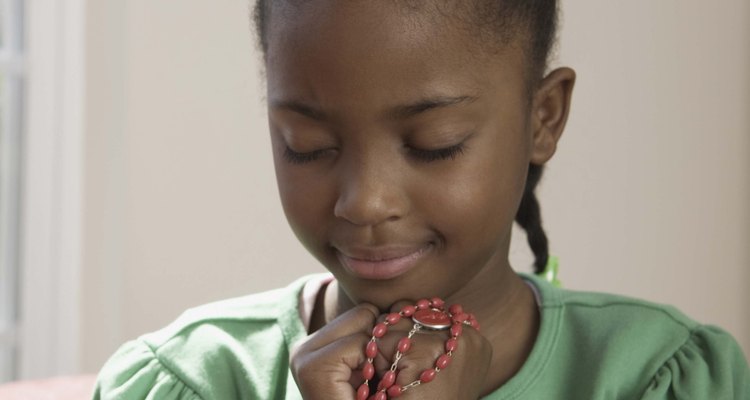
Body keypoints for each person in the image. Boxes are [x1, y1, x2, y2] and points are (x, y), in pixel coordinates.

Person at [93, 1, 750, 399]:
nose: (365, 202)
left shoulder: (661, 381)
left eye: (434, 144)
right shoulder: (188, 384)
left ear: (543, 118)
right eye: (308, 144)